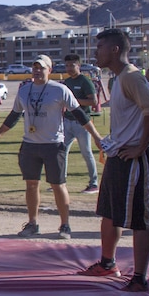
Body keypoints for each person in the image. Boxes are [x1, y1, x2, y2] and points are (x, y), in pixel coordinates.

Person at [79, 30, 149, 291]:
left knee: (139, 218)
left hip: (133, 159)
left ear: (115, 50)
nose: (96, 51)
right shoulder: (118, 79)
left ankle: (139, 277)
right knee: (109, 213)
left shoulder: (131, 77)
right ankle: (107, 263)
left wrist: (140, 147)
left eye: (100, 46)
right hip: (118, 155)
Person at [0, 55, 102, 239]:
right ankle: (32, 223)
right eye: (34, 67)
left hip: (53, 145)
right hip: (30, 145)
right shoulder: (25, 90)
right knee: (31, 184)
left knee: (58, 185)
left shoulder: (60, 90)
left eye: (41, 68)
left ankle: (65, 225)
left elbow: (80, 114)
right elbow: (14, 115)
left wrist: (96, 136)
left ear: (49, 70)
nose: (37, 71)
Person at [61, 54, 100, 193]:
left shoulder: (85, 81)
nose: (69, 68)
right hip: (67, 121)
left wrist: (74, 101)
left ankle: (94, 183)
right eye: (67, 65)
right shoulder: (67, 82)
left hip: (82, 123)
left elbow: (93, 102)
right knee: (62, 151)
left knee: (86, 152)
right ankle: (60, 181)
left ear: (78, 66)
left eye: (72, 65)